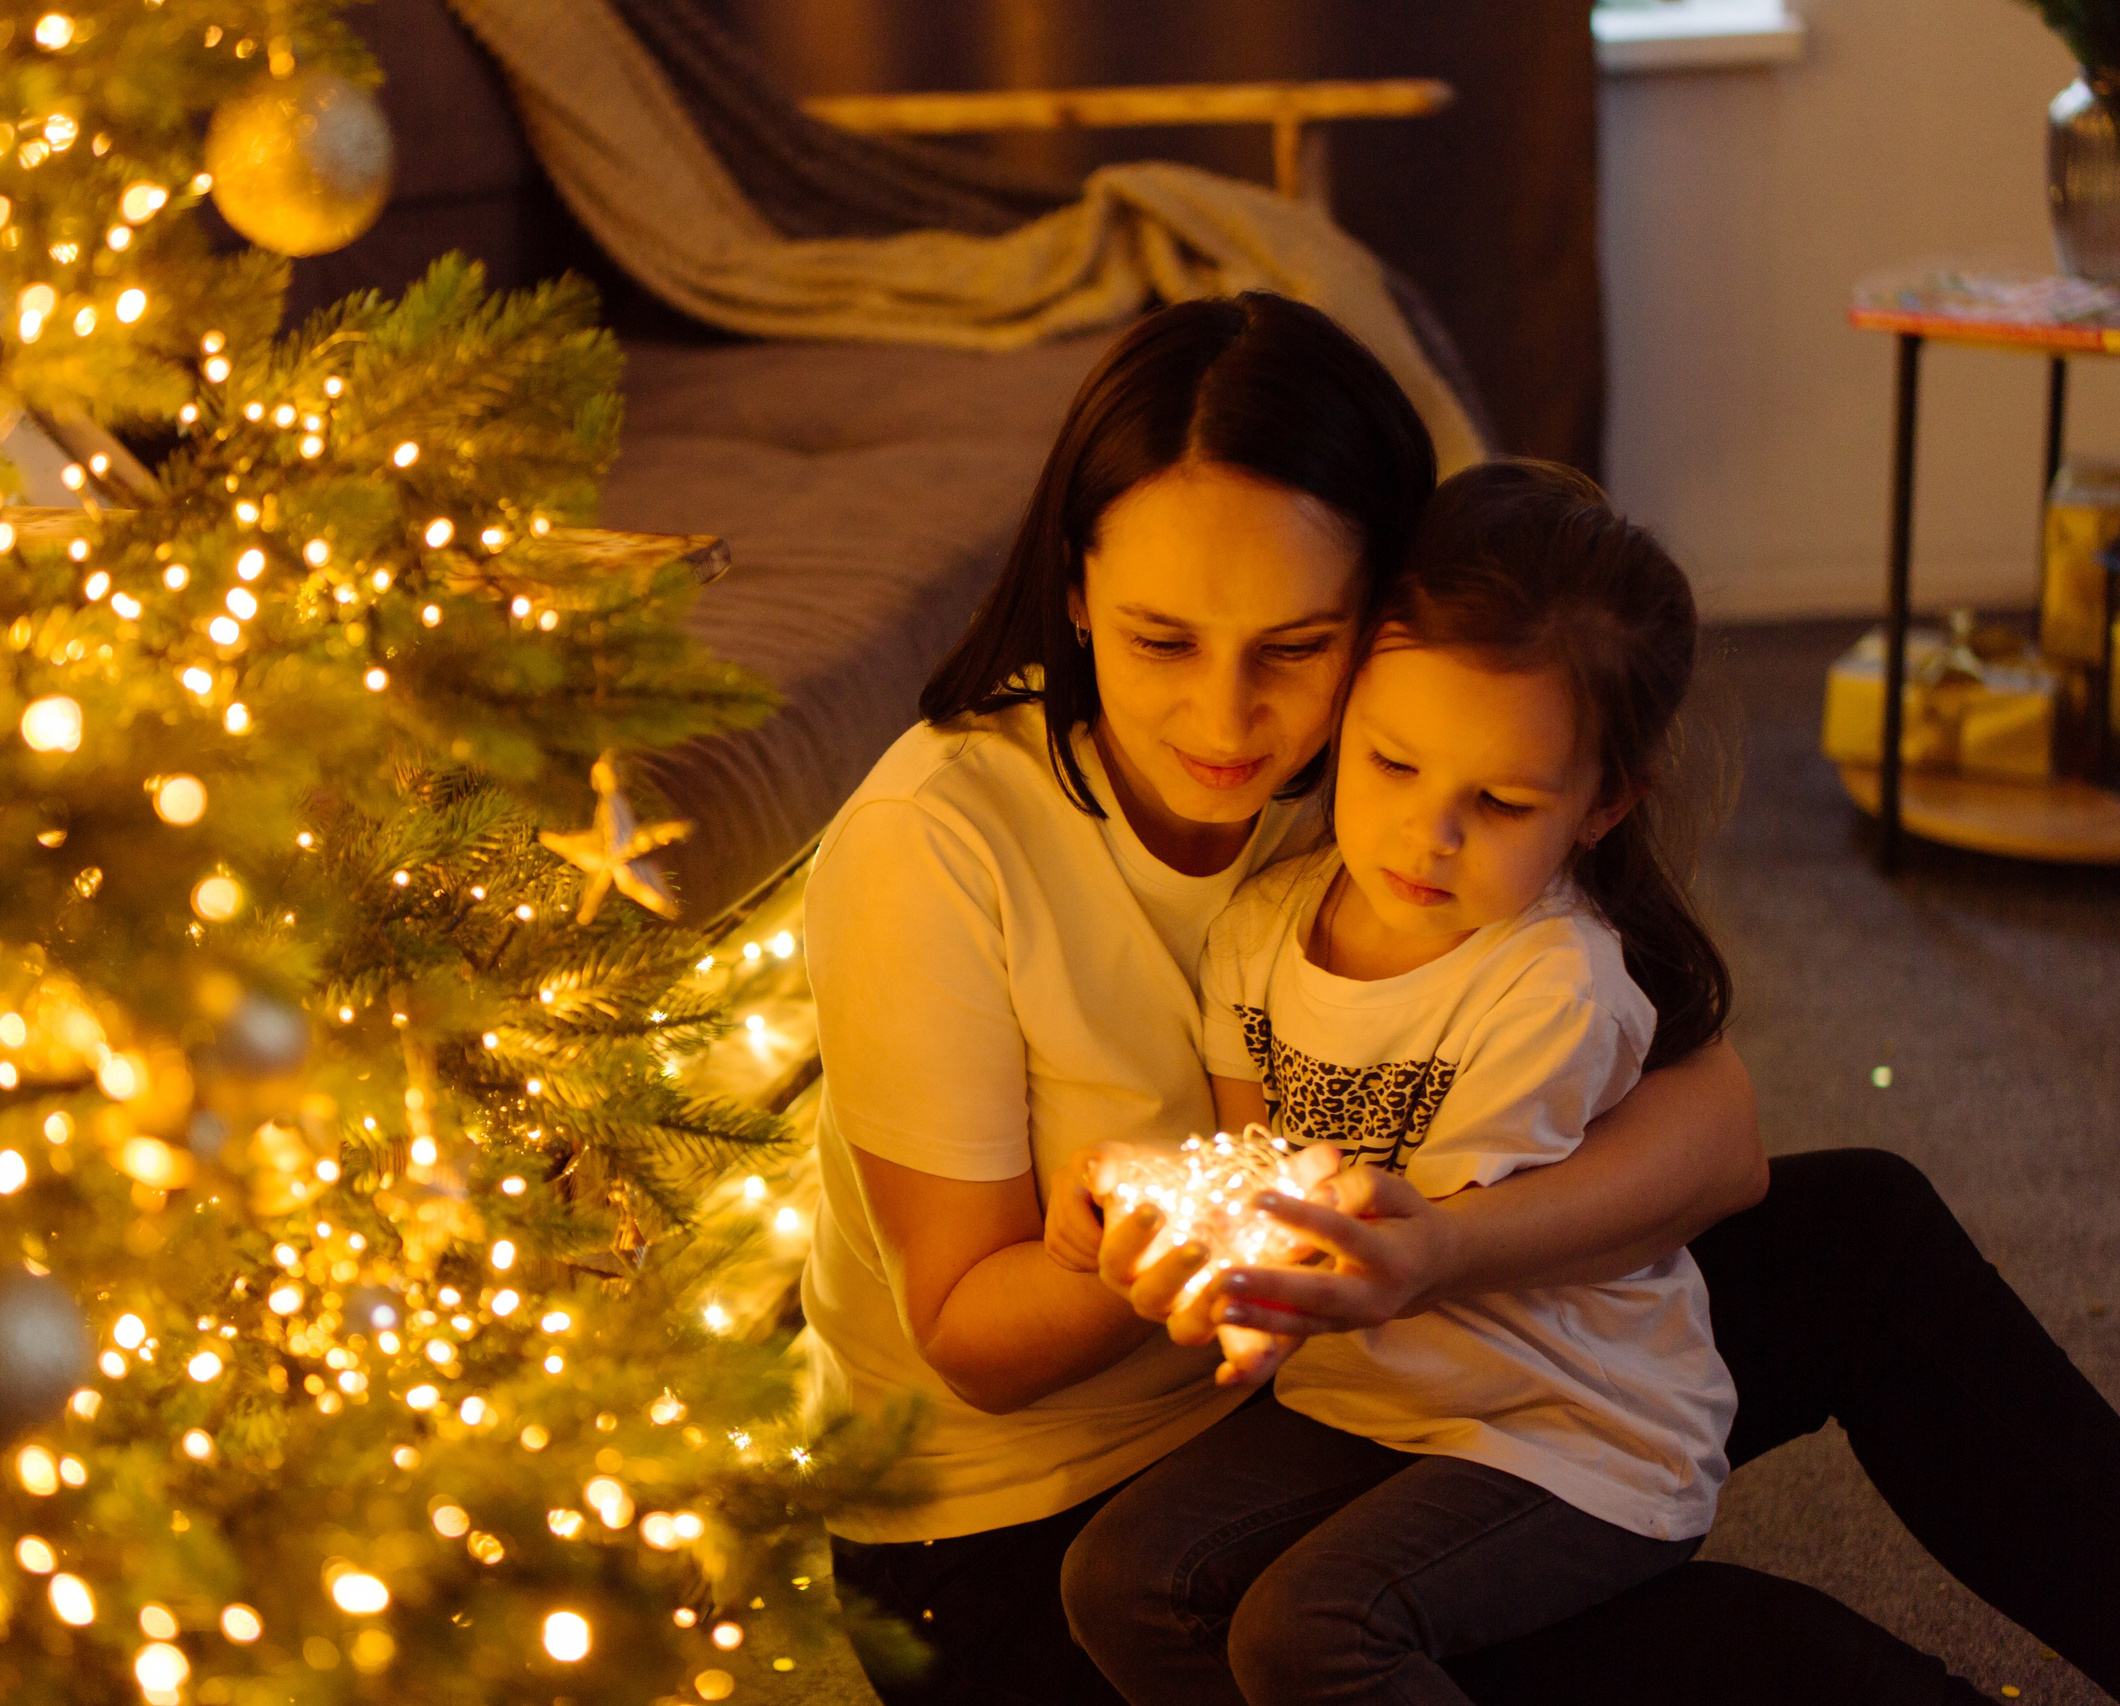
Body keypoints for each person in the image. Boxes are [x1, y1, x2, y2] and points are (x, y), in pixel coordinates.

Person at [797, 290, 2120, 1706]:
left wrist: (1434, 1252)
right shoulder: (933, 845)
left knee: (1863, 1227)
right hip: (1035, 1532)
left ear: (1385, 616)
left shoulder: (1405, 763)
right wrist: (1163, 1244)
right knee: (1766, 1664)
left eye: (1297, 647)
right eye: (1160, 640)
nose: (1227, 720)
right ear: (1073, 588)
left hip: (1390, 1377)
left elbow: (1718, 1141)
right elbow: (974, 1342)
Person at [1045, 460, 1735, 1704]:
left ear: (1602, 804)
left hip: (1565, 1429)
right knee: (1116, 1578)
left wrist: (1218, 1241)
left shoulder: (1553, 987)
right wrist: (1131, 1207)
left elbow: (1356, 1241)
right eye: (1393, 763)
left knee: (1311, 1630)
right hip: (1366, 1398)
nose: (1429, 833)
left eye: (1501, 798)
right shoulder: (1261, 929)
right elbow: (1255, 1175)